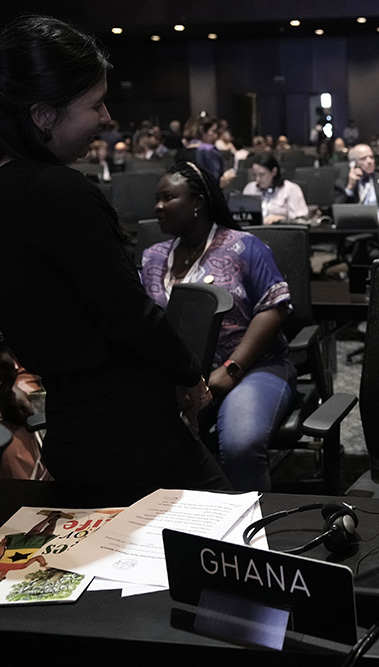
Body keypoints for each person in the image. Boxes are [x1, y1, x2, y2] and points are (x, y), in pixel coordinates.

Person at [0, 15, 228, 490]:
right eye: (95, 105)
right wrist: (190, 376)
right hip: (127, 421)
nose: (107, 119)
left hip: (69, 417)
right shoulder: (56, 191)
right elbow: (127, 313)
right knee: (217, 545)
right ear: (43, 115)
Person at [142, 162, 295, 491]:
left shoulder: (243, 246)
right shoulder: (152, 258)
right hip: (181, 379)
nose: (158, 206)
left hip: (252, 368)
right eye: (157, 198)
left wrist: (230, 370)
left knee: (241, 446)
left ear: (197, 202)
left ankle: (251, 535)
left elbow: (274, 309)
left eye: (168, 198)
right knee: (146, 442)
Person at [242, 154, 308, 223]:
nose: (257, 179)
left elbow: (301, 218)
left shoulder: (290, 189)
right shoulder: (250, 188)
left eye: (262, 174)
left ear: (274, 171)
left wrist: (281, 218)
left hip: (281, 230)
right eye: (255, 175)